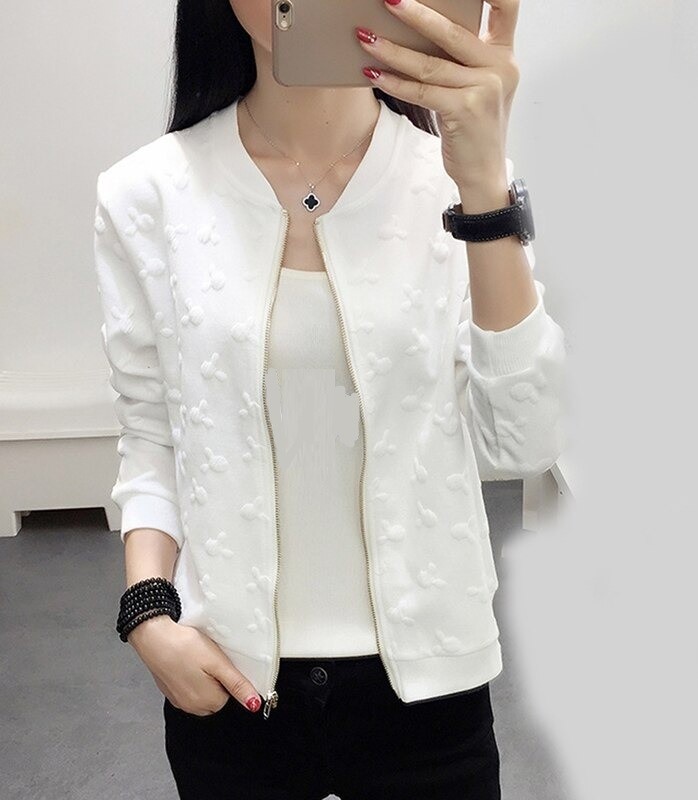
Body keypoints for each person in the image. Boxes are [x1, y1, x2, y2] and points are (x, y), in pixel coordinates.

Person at [94, 1, 567, 798]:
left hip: (431, 687)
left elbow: (525, 440)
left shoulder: (453, 183)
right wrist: (148, 614)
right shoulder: (145, 194)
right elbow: (152, 434)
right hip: (229, 679)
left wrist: (485, 184)